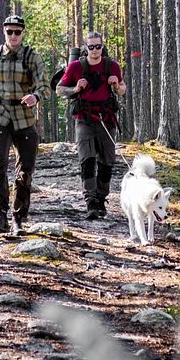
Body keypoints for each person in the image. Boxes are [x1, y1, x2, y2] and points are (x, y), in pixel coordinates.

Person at [0, 14, 50, 236]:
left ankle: (19, 217)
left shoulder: (32, 57)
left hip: (25, 118)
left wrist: (35, 97)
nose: (13, 36)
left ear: (23, 33)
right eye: (10, 32)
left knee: (25, 170)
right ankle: (0, 213)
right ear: (3, 32)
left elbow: (46, 86)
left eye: (17, 32)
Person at [56, 31, 127, 220]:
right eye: (91, 46)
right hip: (84, 118)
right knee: (87, 159)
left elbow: (122, 89)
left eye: (98, 46)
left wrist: (116, 86)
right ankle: (91, 202)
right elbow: (59, 89)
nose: (95, 50)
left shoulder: (112, 66)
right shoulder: (75, 67)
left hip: (107, 119)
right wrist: (76, 88)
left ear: (102, 47)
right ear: (85, 48)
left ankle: (102, 199)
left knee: (107, 161)